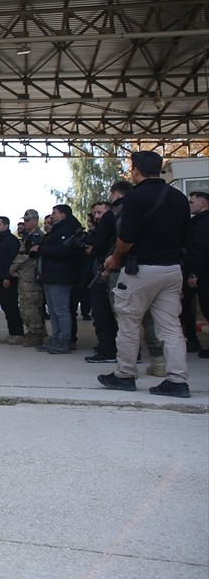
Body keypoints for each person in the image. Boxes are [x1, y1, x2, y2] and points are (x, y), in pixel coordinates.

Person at [97, 151, 191, 397]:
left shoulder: (135, 198)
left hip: (140, 271)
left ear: (135, 169)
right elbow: (185, 237)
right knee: (171, 328)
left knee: (129, 323)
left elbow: (127, 237)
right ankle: (178, 380)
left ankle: (125, 375)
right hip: (172, 270)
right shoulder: (179, 197)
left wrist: (114, 259)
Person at [31, 204, 83, 355]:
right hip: (50, 275)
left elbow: (64, 251)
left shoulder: (68, 230)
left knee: (61, 311)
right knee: (53, 311)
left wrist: (40, 249)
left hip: (60, 276)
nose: (51, 216)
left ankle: (64, 340)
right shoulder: (58, 229)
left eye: (54, 213)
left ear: (62, 215)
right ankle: (56, 338)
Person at [84, 199, 119, 364]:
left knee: (106, 315)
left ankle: (109, 350)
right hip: (99, 274)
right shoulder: (100, 230)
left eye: (100, 213)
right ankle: (107, 346)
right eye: (95, 213)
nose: (97, 217)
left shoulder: (113, 229)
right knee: (101, 314)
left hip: (108, 276)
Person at [10, 209, 47, 347]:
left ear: (35, 221)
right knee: (27, 305)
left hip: (30, 277)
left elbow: (26, 257)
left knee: (31, 307)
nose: (24, 223)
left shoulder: (37, 236)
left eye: (27, 220)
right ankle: (34, 332)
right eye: (24, 220)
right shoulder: (29, 235)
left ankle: (35, 334)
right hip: (25, 276)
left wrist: (11, 269)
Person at [180, 190, 209, 355]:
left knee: (205, 307)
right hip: (199, 272)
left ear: (203, 203)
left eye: (192, 202)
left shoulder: (203, 223)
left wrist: (194, 274)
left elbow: (201, 250)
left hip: (202, 274)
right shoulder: (197, 222)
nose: (189, 205)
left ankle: (192, 340)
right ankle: (191, 340)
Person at [0, 216, 24, 344]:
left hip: (8, 279)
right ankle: (12, 333)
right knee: (5, 307)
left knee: (12, 306)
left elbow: (13, 261)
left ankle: (18, 333)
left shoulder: (11, 241)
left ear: (6, 225)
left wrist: (8, 277)